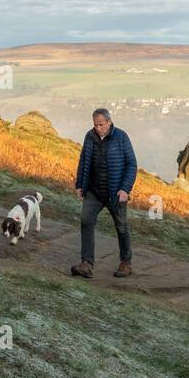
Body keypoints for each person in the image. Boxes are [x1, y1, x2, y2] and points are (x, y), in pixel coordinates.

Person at [70, 107, 136, 278]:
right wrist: (79, 185)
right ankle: (86, 264)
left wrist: (125, 189)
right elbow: (83, 161)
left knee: (121, 227)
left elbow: (131, 164)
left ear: (109, 122)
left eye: (101, 124)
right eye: (95, 125)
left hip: (115, 193)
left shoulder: (121, 137)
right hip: (94, 191)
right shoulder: (89, 136)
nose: (98, 128)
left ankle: (125, 263)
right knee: (86, 221)